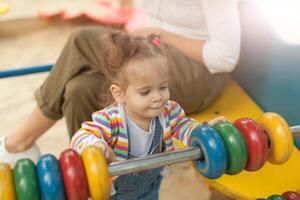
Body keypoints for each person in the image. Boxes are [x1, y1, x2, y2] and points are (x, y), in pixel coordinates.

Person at [0, 0, 240, 166]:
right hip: (154, 52)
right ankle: (92, 171)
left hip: (197, 74)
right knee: (79, 88)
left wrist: (159, 35)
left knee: (81, 40)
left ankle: (19, 142)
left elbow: (225, 58)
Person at [70, 31, 225, 199]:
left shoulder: (168, 112)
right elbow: (81, 136)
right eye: (145, 92)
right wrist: (95, 145)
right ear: (119, 94)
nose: (158, 97)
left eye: (163, 87)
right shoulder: (111, 120)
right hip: (115, 193)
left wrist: (204, 131)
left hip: (151, 186)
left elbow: (185, 128)